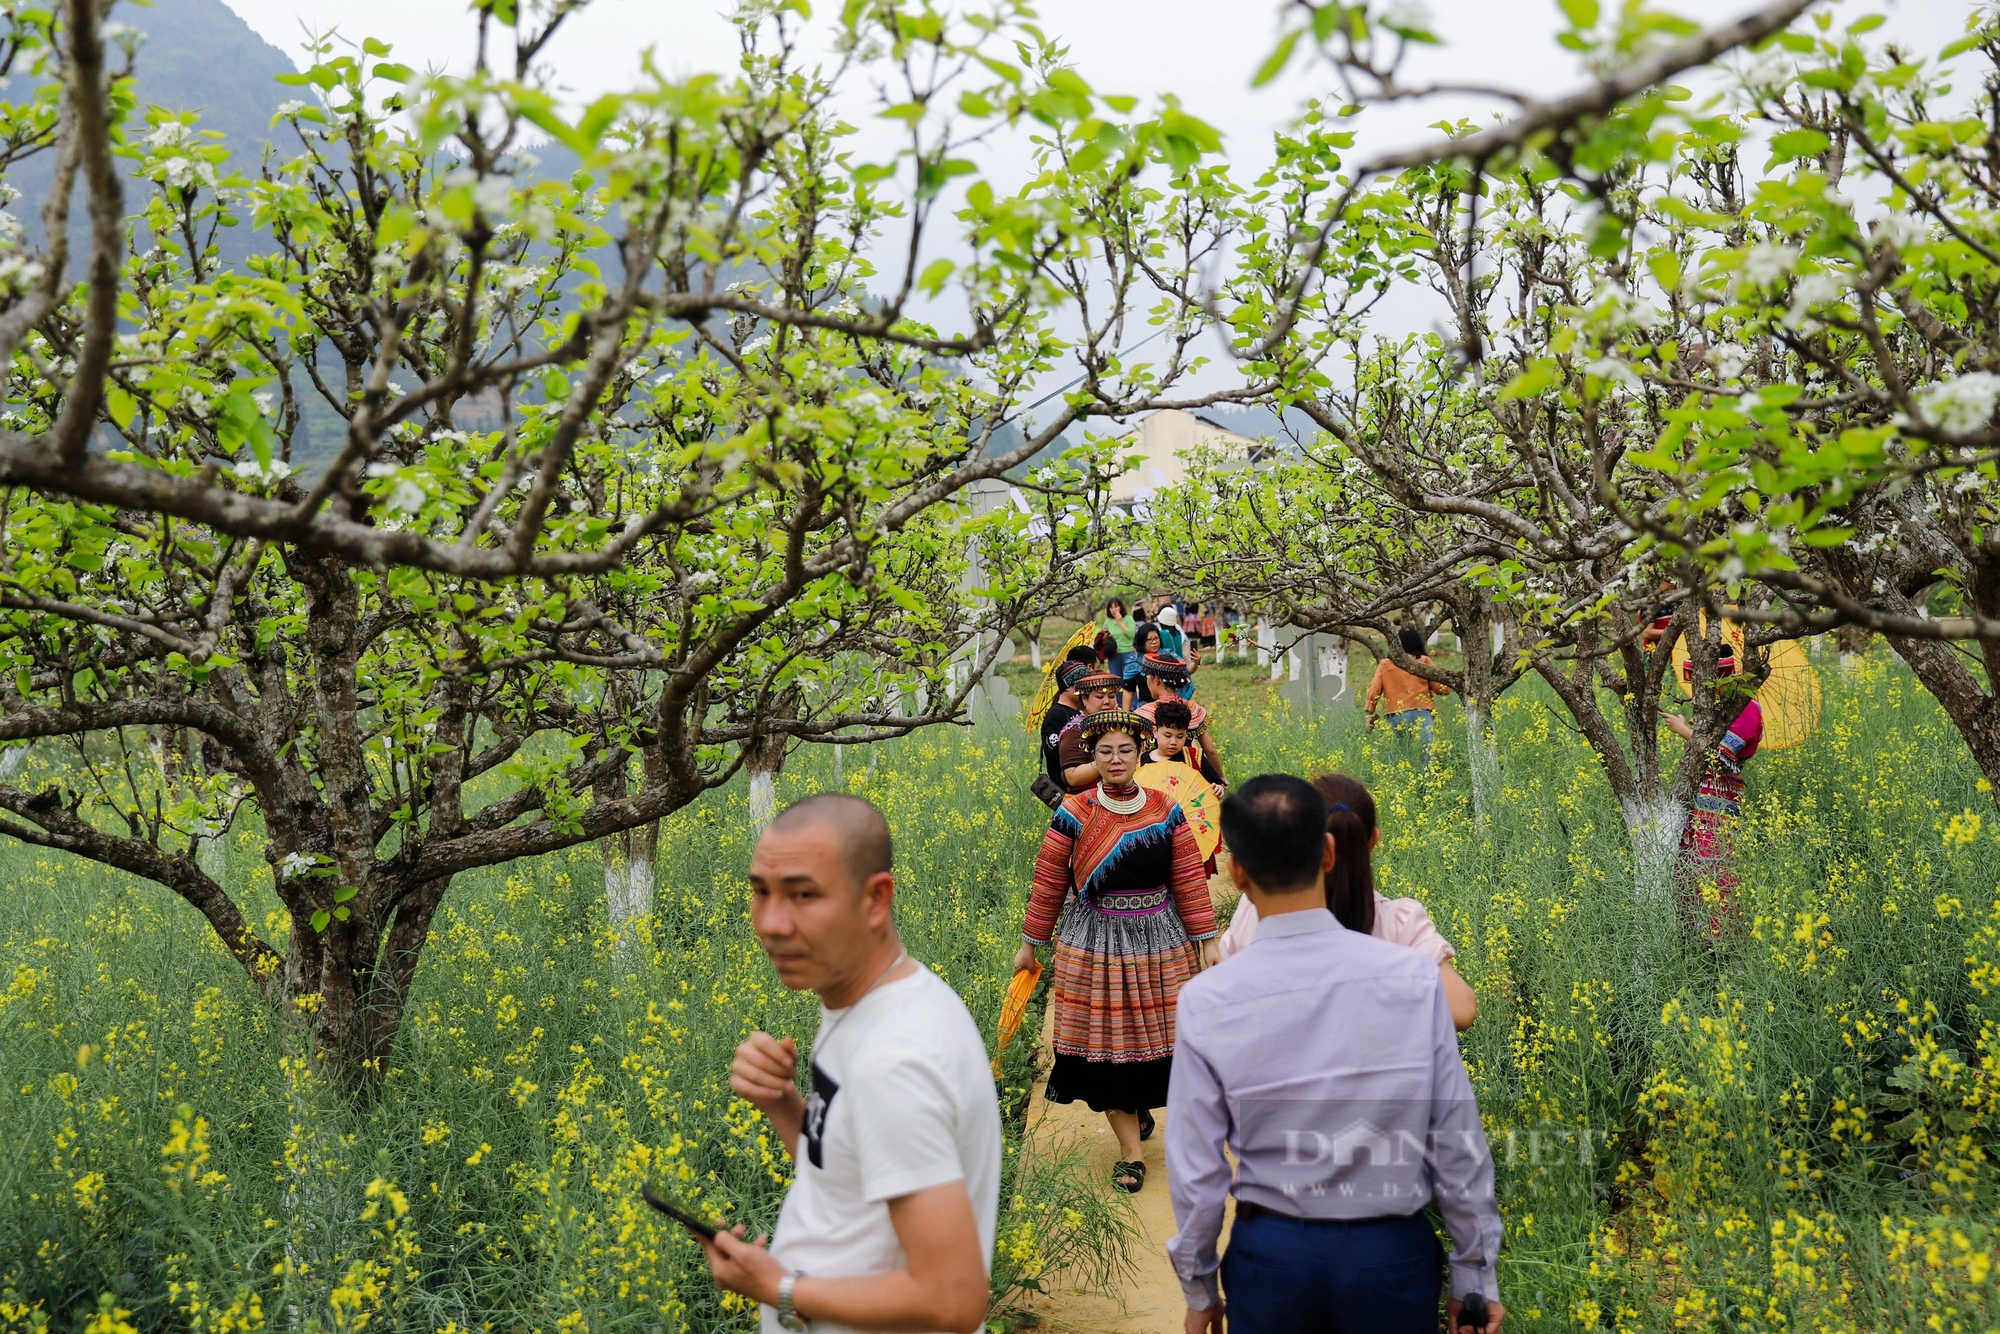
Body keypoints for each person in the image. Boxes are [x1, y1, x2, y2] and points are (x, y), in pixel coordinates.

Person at [1166, 775, 1503, 1334]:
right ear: (1327, 851)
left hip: (1271, 1258)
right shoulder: (1415, 979)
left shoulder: (1206, 999)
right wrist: (1473, 1278)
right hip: (1390, 1254)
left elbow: (1195, 1170)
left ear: (1236, 871)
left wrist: (1200, 1289)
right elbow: (1457, 1142)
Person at [711, 794, 1000, 1334]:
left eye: (803, 895)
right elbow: (849, 1168)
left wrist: (776, 1287)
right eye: (761, 892)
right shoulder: (876, 1000)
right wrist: (782, 1103)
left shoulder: (893, 1062)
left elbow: (953, 1300)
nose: (772, 923)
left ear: (875, 899)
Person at [1013, 709, 1220, 1194]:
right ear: (1093, 756)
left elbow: (1187, 878)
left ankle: (1140, 1109)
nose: (1115, 759)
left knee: (1158, 1040)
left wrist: (1206, 940)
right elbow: (1048, 883)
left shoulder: (1166, 809)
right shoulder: (1074, 811)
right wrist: (1031, 945)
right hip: (1094, 944)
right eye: (1104, 751)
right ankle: (1131, 1152)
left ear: (1140, 751)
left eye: (1125, 750)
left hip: (1159, 942)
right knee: (1105, 1045)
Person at [1215, 773, 1477, 1030]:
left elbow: (1227, 995)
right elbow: (1460, 1010)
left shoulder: (1257, 909)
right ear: (1373, 840)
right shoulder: (1399, 922)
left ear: (1304, 843)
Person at [1664, 656, 1762, 935]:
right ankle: (1691, 934)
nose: (1696, 686)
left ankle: (1722, 942)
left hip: (1721, 798)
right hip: (1696, 798)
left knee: (1714, 866)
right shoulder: (1719, 708)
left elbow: (1723, 754)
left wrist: (1683, 730)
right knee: (1686, 865)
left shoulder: (1748, 708)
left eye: (1700, 678)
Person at [1365, 627, 1450, 756]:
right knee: (1425, 753)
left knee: (1401, 752)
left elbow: (1374, 689)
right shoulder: (1424, 661)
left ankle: (1397, 775)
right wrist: (1449, 687)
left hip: (1395, 714)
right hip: (1421, 713)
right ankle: (1425, 776)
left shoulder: (1385, 664)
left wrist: (1370, 711)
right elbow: (1440, 688)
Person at [1134, 654, 1221, 765]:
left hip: (1154, 775)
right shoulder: (1193, 709)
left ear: (1156, 679)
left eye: (1148, 677)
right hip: (1187, 772)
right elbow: (1210, 750)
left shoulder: (1145, 713)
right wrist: (1221, 777)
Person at [1054, 672, 1126, 793]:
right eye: (1099, 697)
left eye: (1112, 696)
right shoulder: (1076, 731)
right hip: (1088, 800)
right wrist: (1106, 760)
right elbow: (1073, 777)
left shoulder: (1122, 726)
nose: (1107, 701)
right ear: (1084, 699)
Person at [1038, 652, 1098, 791]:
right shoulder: (1056, 715)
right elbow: (1054, 755)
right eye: (1083, 685)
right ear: (1068, 686)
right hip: (1067, 788)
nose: (1087, 690)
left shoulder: (1082, 710)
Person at [1147, 697, 1226, 799]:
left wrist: (1219, 788)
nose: (1173, 742)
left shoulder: (1194, 757)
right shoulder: (1142, 761)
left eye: (1180, 736)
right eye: (1167, 736)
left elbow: (1217, 783)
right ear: (1155, 732)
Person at [1122, 622, 1163, 706]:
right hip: (1146, 708)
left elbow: (1186, 670)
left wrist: (1195, 663)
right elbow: (1128, 691)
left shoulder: (1167, 657)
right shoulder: (1134, 663)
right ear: (1141, 641)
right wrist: (1125, 716)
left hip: (1168, 707)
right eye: (1149, 639)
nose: (1154, 642)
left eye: (1156, 638)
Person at [1102, 598, 1139, 681]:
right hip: (1113, 655)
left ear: (1120, 607)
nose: (1113, 610)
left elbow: (1131, 635)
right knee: (1117, 682)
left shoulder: (1128, 619)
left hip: (1128, 654)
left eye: (1115, 607)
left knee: (1129, 682)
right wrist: (1107, 636)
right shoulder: (1108, 622)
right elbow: (1103, 639)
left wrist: (1120, 621)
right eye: (1111, 608)